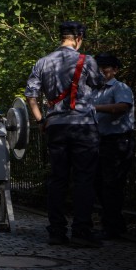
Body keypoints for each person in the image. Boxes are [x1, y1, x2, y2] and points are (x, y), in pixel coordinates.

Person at [25, 21, 104, 247]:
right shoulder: (87, 61)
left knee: (58, 179)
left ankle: (57, 232)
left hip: (56, 125)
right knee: (83, 179)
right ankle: (81, 231)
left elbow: (31, 95)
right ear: (78, 38)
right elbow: (98, 83)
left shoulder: (43, 62)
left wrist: (41, 120)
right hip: (83, 126)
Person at [92, 53, 135, 239]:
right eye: (99, 69)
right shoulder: (96, 91)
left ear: (115, 70)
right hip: (100, 142)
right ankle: (114, 224)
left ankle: (113, 227)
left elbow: (122, 107)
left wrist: (95, 108)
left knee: (112, 184)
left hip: (118, 141)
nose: (102, 72)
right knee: (100, 183)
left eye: (105, 69)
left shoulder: (120, 87)